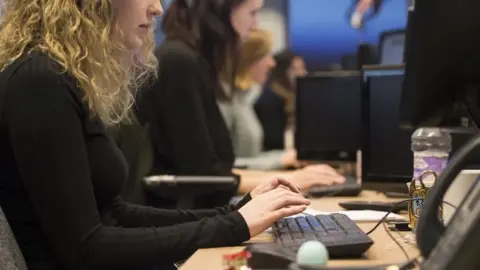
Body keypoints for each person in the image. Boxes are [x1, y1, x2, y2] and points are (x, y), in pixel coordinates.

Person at [0, 0, 311, 269]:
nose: (158, 9)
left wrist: (234, 212)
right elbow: (86, 248)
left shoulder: (65, 78)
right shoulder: (40, 82)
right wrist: (233, 225)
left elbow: (116, 213)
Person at [136, 0, 345, 208]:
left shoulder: (192, 62)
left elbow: (216, 172)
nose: (255, 26)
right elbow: (202, 176)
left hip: (197, 219)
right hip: (184, 223)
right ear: (221, 12)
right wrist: (289, 180)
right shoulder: (179, 62)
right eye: (252, 13)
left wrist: (285, 178)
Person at [217, 30, 298, 170]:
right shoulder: (224, 101)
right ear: (248, 59)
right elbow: (223, 168)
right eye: (266, 56)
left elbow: (250, 159)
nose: (272, 63)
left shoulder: (241, 100)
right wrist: (281, 160)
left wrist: (288, 157)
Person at [254, 50, 307, 151]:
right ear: (281, 72)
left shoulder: (292, 98)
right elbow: (273, 141)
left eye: (303, 68)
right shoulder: (270, 100)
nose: (303, 73)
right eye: (296, 69)